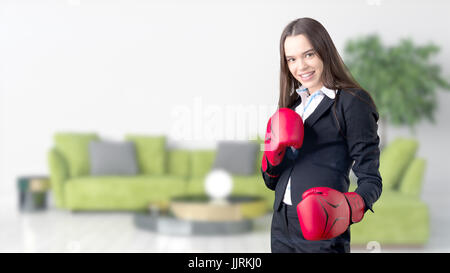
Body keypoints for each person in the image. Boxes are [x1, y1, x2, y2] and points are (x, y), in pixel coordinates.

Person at [260, 17, 382, 253]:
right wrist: (272, 157)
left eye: (309, 54)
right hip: (281, 225)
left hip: (322, 231)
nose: (301, 66)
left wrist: (347, 207)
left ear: (324, 51)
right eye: (292, 59)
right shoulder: (292, 106)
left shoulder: (351, 102)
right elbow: (271, 181)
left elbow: (371, 179)